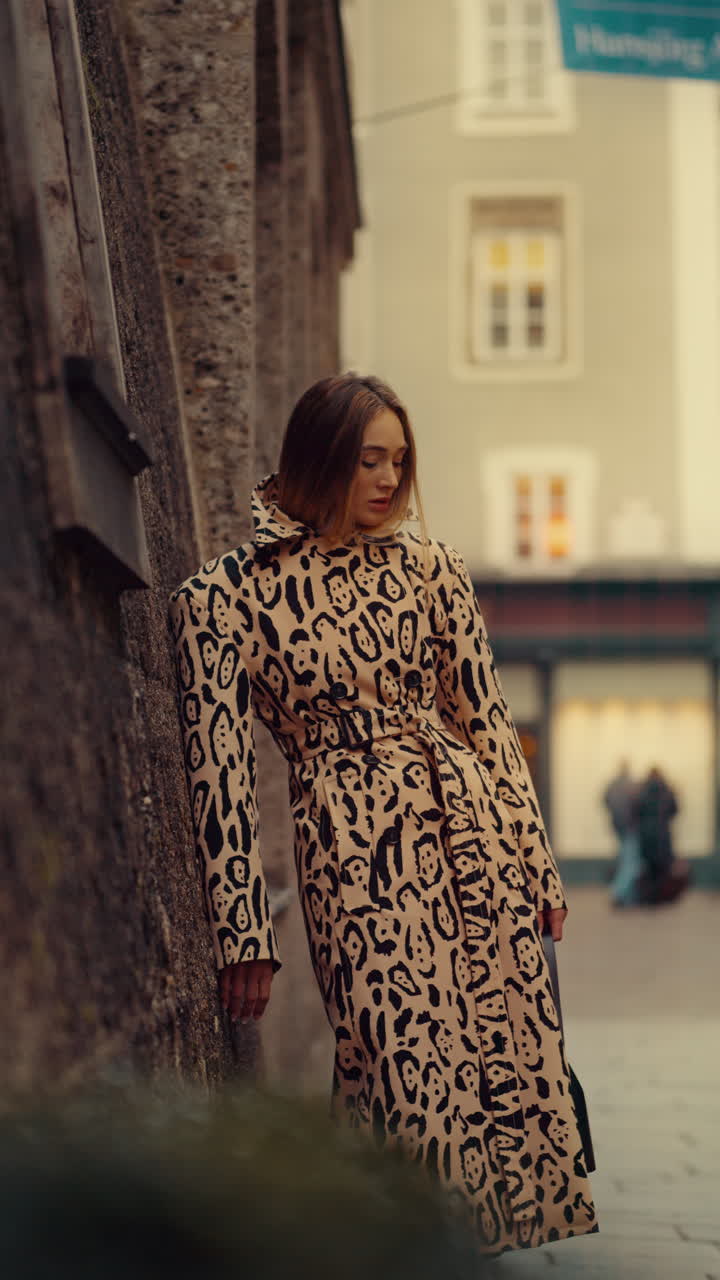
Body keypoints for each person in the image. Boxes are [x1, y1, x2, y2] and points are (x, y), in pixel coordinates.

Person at [168, 373, 597, 1255]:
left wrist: (538, 869)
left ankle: (419, 1250)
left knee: (494, 1061)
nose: (390, 481)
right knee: (395, 1063)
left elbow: (487, 727)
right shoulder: (224, 597)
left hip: (471, 835)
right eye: (370, 459)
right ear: (318, 456)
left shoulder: (435, 571)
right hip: (353, 854)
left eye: (400, 462)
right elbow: (221, 778)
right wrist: (243, 928)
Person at [633, 766, 688, 905]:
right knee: (662, 868)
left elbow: (636, 811)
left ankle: (650, 898)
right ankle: (660, 897)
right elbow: (675, 810)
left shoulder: (642, 791)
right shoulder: (667, 791)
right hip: (663, 835)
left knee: (649, 868)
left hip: (646, 835)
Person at [603, 761, 643, 907]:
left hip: (618, 827)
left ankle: (626, 895)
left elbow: (605, 801)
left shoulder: (612, 785)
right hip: (629, 828)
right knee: (631, 863)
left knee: (626, 860)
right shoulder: (632, 786)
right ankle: (618, 892)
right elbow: (637, 806)